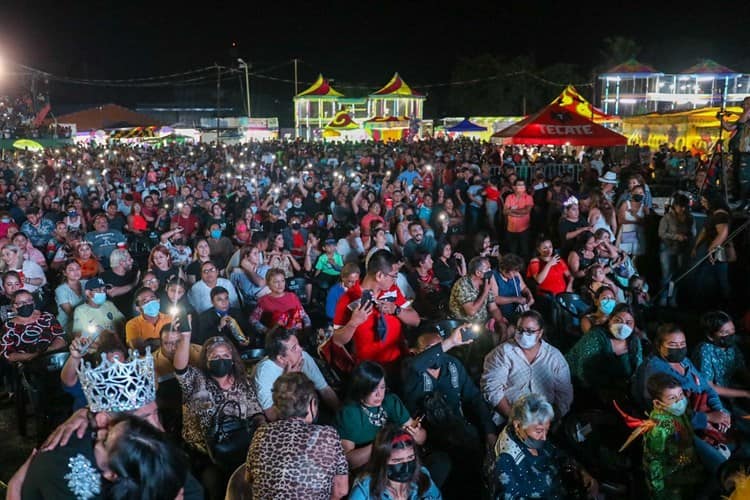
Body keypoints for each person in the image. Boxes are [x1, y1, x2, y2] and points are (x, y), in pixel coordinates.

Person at [9, 347, 204, 500]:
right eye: (143, 420)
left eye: (156, 415)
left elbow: (191, 490)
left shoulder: (147, 442)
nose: (158, 427)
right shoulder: (63, 462)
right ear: (104, 420)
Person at [173, 332, 264, 499]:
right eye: (215, 356)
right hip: (205, 453)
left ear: (232, 359)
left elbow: (256, 413)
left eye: (225, 355)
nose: (220, 359)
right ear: (206, 360)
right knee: (215, 485)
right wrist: (185, 337)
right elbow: (180, 369)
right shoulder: (196, 381)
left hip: (238, 446)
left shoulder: (241, 382)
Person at [633, 323, 731, 477]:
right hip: (677, 429)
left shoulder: (684, 361)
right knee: (721, 466)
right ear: (659, 345)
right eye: (672, 344)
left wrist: (719, 410)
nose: (679, 348)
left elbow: (707, 388)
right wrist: (708, 418)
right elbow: (668, 415)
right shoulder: (654, 373)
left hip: (700, 415)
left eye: (682, 344)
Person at [402, 324, 495, 468]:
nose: (438, 354)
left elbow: (474, 397)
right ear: (414, 351)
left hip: (458, 431)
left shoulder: (452, 365)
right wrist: (450, 342)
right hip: (427, 439)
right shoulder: (411, 372)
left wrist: (489, 431)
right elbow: (415, 366)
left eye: (440, 347)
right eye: (430, 350)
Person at [246, 372, 349, 500]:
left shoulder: (261, 433)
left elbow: (249, 479)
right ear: (312, 404)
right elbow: (341, 490)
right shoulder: (327, 436)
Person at [490, 393, 597, 500]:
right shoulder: (505, 459)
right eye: (539, 431)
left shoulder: (532, 435)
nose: (544, 437)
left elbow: (559, 455)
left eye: (546, 430)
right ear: (518, 425)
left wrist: (582, 472)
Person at [332, 249, 420, 379]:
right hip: (370, 374)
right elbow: (337, 340)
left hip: (399, 364)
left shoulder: (393, 291)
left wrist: (396, 310)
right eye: (394, 275)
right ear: (379, 275)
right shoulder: (348, 299)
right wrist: (353, 323)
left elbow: (416, 320)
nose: (395, 279)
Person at [481, 310, 573, 425]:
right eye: (520, 330)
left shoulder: (554, 357)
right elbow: (492, 388)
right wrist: (514, 418)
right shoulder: (503, 353)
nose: (524, 335)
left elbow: (564, 393)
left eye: (530, 331)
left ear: (540, 333)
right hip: (508, 419)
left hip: (545, 421)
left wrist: (551, 419)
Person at [335, 361, 427, 471]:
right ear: (360, 388)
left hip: (402, 460)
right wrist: (383, 442)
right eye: (373, 389)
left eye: (382, 387)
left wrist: (417, 434)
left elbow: (422, 439)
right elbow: (347, 462)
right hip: (373, 468)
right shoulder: (349, 413)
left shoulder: (391, 401)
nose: (379, 394)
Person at [641, 373, 707, 499]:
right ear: (658, 403)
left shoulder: (677, 411)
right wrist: (659, 493)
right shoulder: (658, 429)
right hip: (670, 483)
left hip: (686, 470)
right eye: (672, 398)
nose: (679, 401)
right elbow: (654, 462)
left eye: (681, 395)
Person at [253, 329, 340, 421]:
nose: (301, 349)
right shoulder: (264, 374)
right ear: (281, 358)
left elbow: (325, 390)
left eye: (298, 345)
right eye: (294, 348)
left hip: (308, 414)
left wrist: (342, 416)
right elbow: (272, 416)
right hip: (284, 425)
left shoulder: (303, 356)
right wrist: (288, 383)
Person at [566, 303, 643, 407]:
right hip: (580, 388)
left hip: (617, 392)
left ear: (634, 326)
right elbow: (584, 374)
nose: (622, 326)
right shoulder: (595, 337)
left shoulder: (634, 342)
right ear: (609, 320)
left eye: (628, 322)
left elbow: (638, 370)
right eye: (618, 320)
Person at [349, 426, 442, 500]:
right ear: (382, 461)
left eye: (410, 458)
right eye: (397, 461)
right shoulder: (364, 492)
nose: (406, 467)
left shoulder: (423, 477)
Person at [692, 311, 750, 418]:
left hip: (731, 392)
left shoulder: (732, 347)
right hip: (713, 398)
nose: (730, 335)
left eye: (732, 331)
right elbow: (709, 388)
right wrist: (745, 393)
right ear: (710, 336)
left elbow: (741, 370)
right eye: (724, 332)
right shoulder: (705, 350)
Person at [448, 256, 508, 341]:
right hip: (465, 325)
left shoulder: (485, 282)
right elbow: (471, 311)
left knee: (507, 330)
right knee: (492, 339)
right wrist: (485, 292)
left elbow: (493, 308)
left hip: (483, 322)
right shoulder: (462, 285)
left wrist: (501, 322)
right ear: (478, 273)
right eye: (487, 269)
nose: (490, 271)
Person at [0, 289, 66, 362]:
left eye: (29, 300)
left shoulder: (47, 317)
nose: (26, 304)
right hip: (27, 365)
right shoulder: (8, 327)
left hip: (54, 358)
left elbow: (61, 338)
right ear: (14, 307)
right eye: (21, 303)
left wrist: (49, 350)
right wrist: (32, 356)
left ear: (33, 303)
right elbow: (7, 355)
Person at [691, 192, 732, 307]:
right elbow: (704, 231)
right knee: (712, 279)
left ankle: (726, 306)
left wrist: (711, 249)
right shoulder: (713, 214)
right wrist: (696, 247)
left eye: (705, 201)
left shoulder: (720, 215)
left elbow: (722, 234)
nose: (703, 203)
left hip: (719, 252)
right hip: (712, 251)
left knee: (720, 281)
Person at [657, 193, 693, 307]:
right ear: (675, 206)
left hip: (681, 249)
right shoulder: (667, 217)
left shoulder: (689, 218)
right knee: (666, 275)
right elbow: (661, 233)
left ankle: (672, 298)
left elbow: (693, 233)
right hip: (667, 249)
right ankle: (663, 298)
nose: (682, 209)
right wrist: (677, 236)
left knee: (677, 275)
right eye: (680, 206)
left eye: (684, 207)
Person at [250, 268, 311, 334]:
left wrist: (307, 327)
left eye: (282, 281)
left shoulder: (292, 296)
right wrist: (267, 331)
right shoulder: (264, 301)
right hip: (277, 338)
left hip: (297, 335)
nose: (280, 284)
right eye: (276, 282)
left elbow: (304, 315)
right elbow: (253, 320)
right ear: (268, 284)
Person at [721, 95, 750, 208]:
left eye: (748, 104)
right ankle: (738, 198)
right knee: (736, 175)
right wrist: (722, 119)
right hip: (739, 150)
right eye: (745, 104)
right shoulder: (742, 118)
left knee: (744, 177)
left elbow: (742, 120)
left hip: (747, 152)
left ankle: (744, 200)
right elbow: (729, 127)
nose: (745, 106)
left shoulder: (745, 117)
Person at [125, 287, 174, 351]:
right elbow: (137, 347)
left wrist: (150, 342)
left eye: (152, 298)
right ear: (138, 308)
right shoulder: (132, 324)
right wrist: (165, 341)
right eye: (145, 301)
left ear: (158, 301)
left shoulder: (170, 319)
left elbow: (177, 342)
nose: (150, 302)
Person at [493, 253, 535, 326]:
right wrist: (515, 299)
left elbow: (524, 288)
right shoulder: (494, 276)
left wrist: (530, 296)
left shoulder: (516, 274)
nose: (516, 274)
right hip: (503, 315)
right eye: (514, 272)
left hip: (518, 312)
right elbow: (495, 299)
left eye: (517, 271)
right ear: (504, 270)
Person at [101, 247, 140, 319]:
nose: (132, 260)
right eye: (129, 259)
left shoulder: (132, 273)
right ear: (122, 262)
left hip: (132, 314)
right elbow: (112, 292)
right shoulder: (105, 277)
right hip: (113, 317)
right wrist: (134, 284)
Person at [229, 244, 269, 309]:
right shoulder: (236, 274)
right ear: (246, 257)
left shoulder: (265, 269)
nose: (258, 256)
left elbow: (260, 283)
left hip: (267, 303)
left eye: (258, 253)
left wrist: (248, 269)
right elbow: (233, 294)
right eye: (255, 253)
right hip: (249, 307)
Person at [502, 178, 534, 259]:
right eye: (518, 185)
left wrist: (512, 210)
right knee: (512, 251)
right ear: (514, 187)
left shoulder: (528, 197)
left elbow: (526, 211)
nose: (520, 187)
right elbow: (505, 211)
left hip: (524, 229)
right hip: (511, 229)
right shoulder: (509, 197)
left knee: (525, 250)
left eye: (522, 185)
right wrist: (518, 213)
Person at [617, 183, 648, 260]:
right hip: (626, 234)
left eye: (641, 193)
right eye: (637, 192)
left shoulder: (644, 208)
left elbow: (647, 223)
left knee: (637, 259)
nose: (639, 194)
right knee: (624, 257)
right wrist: (637, 222)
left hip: (639, 236)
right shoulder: (625, 204)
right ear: (632, 193)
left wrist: (635, 215)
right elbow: (621, 220)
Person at [55, 259, 85, 335]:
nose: (76, 272)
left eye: (78, 268)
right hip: (69, 323)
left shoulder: (86, 283)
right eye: (71, 270)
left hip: (88, 320)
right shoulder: (60, 290)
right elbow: (70, 313)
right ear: (65, 273)